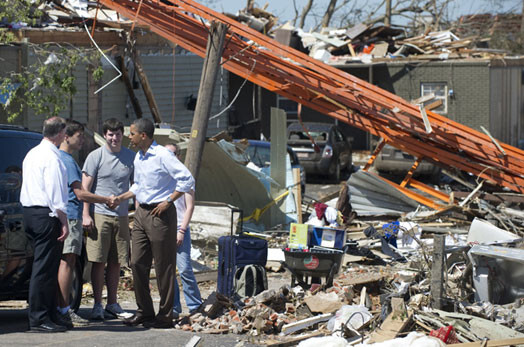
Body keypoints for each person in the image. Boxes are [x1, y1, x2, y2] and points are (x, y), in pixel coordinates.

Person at [117, 119, 194, 329]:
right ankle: (144, 311)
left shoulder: (163, 155)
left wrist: (169, 200)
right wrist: (121, 197)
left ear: (143, 135)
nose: (128, 137)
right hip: (141, 212)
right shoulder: (139, 157)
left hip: (160, 214)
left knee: (163, 266)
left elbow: (187, 179)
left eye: (131, 134)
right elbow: (139, 186)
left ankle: (165, 315)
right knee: (137, 263)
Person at [57, 120, 117, 328]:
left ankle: (62, 308)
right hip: (71, 215)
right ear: (66, 136)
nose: (82, 140)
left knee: (68, 263)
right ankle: (65, 310)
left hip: (66, 215)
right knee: (68, 263)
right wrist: (105, 199)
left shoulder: (62, 158)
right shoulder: (67, 160)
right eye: (79, 136)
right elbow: (80, 192)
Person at [82, 118, 135, 320]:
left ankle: (112, 303)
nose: (114, 138)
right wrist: (86, 214)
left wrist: (136, 215)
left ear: (123, 135)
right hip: (99, 214)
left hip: (121, 216)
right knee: (99, 261)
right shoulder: (95, 156)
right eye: (111, 134)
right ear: (105, 135)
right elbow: (85, 189)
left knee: (116, 262)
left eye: (118, 134)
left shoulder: (130, 157)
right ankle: (97, 304)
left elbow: (136, 187)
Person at [20, 117, 69, 332]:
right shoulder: (51, 158)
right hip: (46, 214)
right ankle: (39, 318)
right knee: (44, 269)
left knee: (45, 267)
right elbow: (55, 193)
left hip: (31, 213)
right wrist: (64, 221)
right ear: (59, 134)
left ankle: (48, 313)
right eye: (64, 132)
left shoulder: (33, 153)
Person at [164, 143, 202, 318]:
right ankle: (174, 308)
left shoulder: (184, 177)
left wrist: (181, 230)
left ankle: (195, 306)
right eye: (166, 153)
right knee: (168, 270)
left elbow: (189, 207)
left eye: (173, 153)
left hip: (180, 228)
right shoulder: (161, 177)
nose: (170, 157)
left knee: (185, 268)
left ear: (178, 156)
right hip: (164, 229)